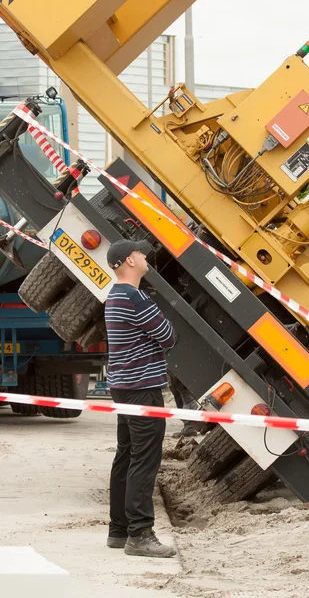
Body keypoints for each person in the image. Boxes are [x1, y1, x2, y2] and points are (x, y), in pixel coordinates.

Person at [104, 238, 176, 558]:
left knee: (126, 455)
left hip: (123, 385)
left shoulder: (114, 296)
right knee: (144, 460)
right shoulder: (134, 298)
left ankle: (118, 530)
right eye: (140, 252)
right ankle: (140, 534)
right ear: (128, 261)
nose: (145, 256)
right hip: (142, 387)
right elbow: (168, 336)